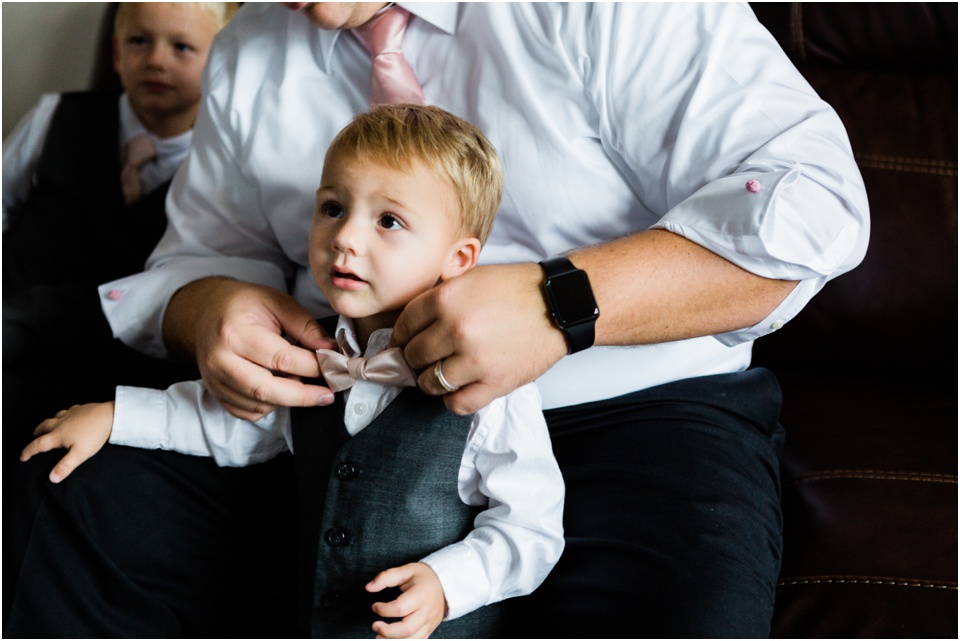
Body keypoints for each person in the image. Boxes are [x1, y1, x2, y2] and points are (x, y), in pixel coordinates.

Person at [8, 3, 871, 638]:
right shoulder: (252, 45)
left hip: (635, 414)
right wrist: (210, 310)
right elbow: (198, 256)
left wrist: (560, 302)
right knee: (82, 498)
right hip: (344, 411)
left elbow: (815, 203)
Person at [20, 104, 566, 639]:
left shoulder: (491, 385)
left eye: (389, 221)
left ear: (459, 259)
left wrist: (448, 583)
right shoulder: (311, 352)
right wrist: (115, 417)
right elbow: (226, 424)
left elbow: (532, 527)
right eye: (333, 208)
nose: (346, 237)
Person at [2, 1, 238, 457]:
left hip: (100, 355)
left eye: (183, 47)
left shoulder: (222, 163)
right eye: (138, 42)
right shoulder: (60, 115)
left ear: (221, 63)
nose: (156, 60)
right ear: (115, 53)